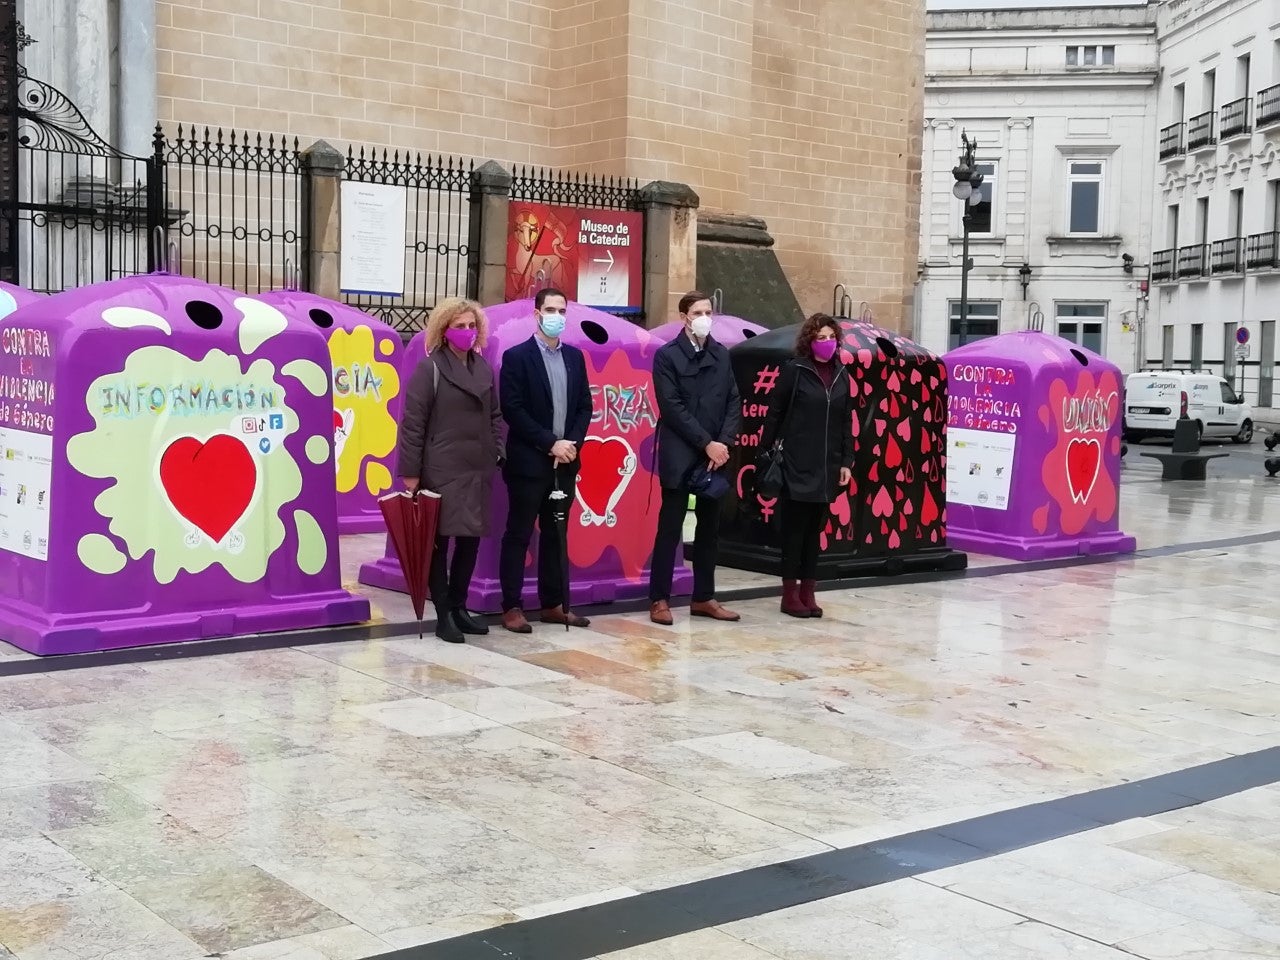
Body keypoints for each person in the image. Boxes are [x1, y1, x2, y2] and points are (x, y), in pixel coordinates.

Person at [397, 298, 504, 644]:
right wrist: (410, 474)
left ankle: (460, 606)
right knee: (438, 544)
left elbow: (495, 416)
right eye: (459, 326)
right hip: (441, 469)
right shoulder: (430, 369)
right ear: (444, 331)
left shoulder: (484, 368)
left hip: (477, 467)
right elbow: (413, 424)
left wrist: (497, 451)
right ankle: (443, 613)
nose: (467, 332)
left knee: (470, 541)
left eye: (472, 326)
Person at [498, 287, 594, 633]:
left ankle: (553, 604)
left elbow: (585, 405)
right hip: (529, 463)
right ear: (537, 313)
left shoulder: (574, 357)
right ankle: (511, 606)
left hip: (565, 463)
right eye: (550, 309)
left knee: (557, 534)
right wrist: (550, 443)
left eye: (562, 310)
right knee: (519, 534)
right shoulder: (517, 356)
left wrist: (571, 445)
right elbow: (513, 409)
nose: (557, 316)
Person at [648, 291, 742, 626]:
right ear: (685, 316)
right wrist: (706, 443)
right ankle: (659, 598)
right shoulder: (668, 356)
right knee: (670, 528)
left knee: (709, 529)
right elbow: (672, 407)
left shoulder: (721, 354)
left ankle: (704, 596)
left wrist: (724, 443)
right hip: (683, 451)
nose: (704, 317)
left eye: (708, 311)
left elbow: (733, 399)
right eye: (698, 312)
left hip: (716, 454)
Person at [760, 313, 854, 619]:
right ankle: (789, 594)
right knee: (795, 530)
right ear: (809, 341)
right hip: (797, 461)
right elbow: (775, 412)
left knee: (815, 532)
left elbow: (845, 422)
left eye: (830, 337)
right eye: (820, 337)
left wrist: (846, 461)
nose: (826, 343)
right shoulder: (795, 370)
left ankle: (808, 592)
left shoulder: (842, 375)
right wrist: (765, 451)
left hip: (827, 464)